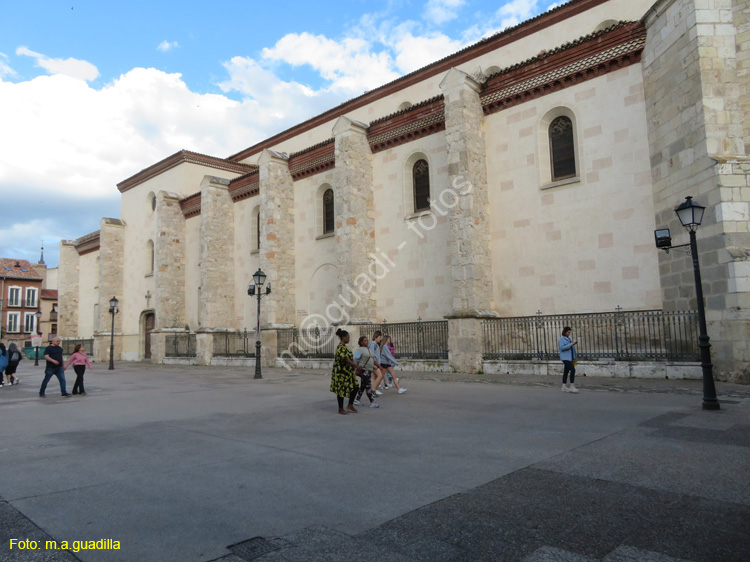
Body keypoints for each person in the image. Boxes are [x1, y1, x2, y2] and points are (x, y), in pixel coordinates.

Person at [330, 329, 359, 415]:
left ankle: (350, 405)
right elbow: (345, 359)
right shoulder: (340, 348)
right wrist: (355, 365)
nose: (348, 338)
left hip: (348, 372)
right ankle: (340, 408)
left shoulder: (345, 347)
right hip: (341, 373)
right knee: (341, 390)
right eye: (347, 337)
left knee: (355, 387)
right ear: (343, 338)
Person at [353, 336, 379, 408]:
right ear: (361, 342)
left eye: (367, 340)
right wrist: (357, 366)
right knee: (368, 386)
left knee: (363, 386)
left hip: (369, 369)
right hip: (364, 370)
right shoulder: (359, 350)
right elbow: (356, 359)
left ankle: (357, 400)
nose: (367, 342)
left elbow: (371, 359)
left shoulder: (368, 349)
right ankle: (372, 402)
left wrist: (374, 365)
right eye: (365, 341)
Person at [558, 326, 579, 393]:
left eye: (570, 332)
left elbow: (572, 349)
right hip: (565, 358)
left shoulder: (569, 339)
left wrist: (575, 357)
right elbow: (562, 348)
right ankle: (572, 386)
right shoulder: (562, 339)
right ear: (565, 332)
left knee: (566, 372)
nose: (569, 333)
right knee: (572, 370)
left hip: (570, 358)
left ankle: (564, 386)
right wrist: (570, 345)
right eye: (568, 332)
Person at [368, 331, 385, 395]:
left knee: (374, 377)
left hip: (375, 363)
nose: (380, 339)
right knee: (380, 376)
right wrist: (376, 364)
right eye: (379, 337)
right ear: (375, 337)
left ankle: (374, 390)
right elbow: (372, 355)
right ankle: (372, 390)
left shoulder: (375, 344)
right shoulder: (373, 345)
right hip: (374, 364)